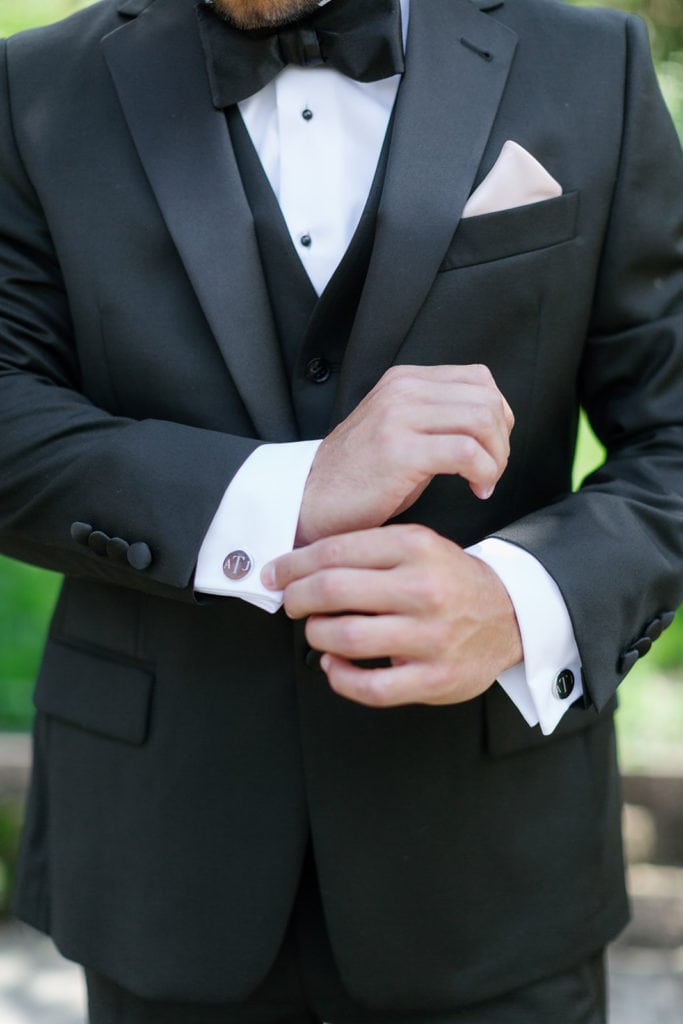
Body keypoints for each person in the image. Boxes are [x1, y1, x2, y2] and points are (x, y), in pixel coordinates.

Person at [1, 0, 683, 1021]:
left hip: (489, 869)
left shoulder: (588, 62)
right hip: (161, 863)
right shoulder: (36, 86)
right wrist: (291, 494)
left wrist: (517, 600)